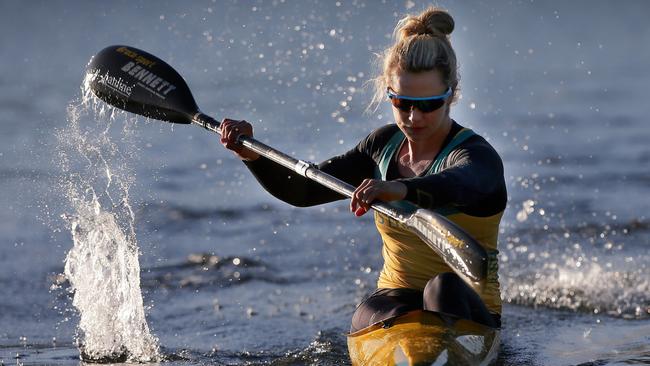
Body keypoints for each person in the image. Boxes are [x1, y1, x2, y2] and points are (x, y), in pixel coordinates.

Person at [219, 7, 506, 332]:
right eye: (402, 103)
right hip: (398, 297)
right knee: (370, 310)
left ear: (451, 94)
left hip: (466, 305)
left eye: (429, 105)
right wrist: (250, 154)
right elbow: (300, 190)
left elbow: (461, 184)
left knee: (442, 288)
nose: (414, 118)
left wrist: (401, 189)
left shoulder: (477, 157)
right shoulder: (381, 145)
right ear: (389, 94)